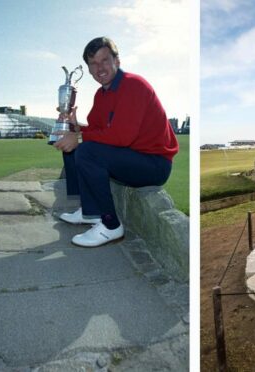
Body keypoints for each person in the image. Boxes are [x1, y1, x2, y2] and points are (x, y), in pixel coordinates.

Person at [53, 37, 179, 248]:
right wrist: (75, 127)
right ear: (89, 69)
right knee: (74, 148)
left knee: (86, 150)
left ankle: (111, 226)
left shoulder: (133, 85)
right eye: (93, 63)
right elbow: (97, 131)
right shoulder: (101, 94)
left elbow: (122, 136)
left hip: (154, 164)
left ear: (117, 61)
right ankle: (90, 210)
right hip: (131, 156)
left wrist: (80, 137)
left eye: (104, 60)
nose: (99, 68)